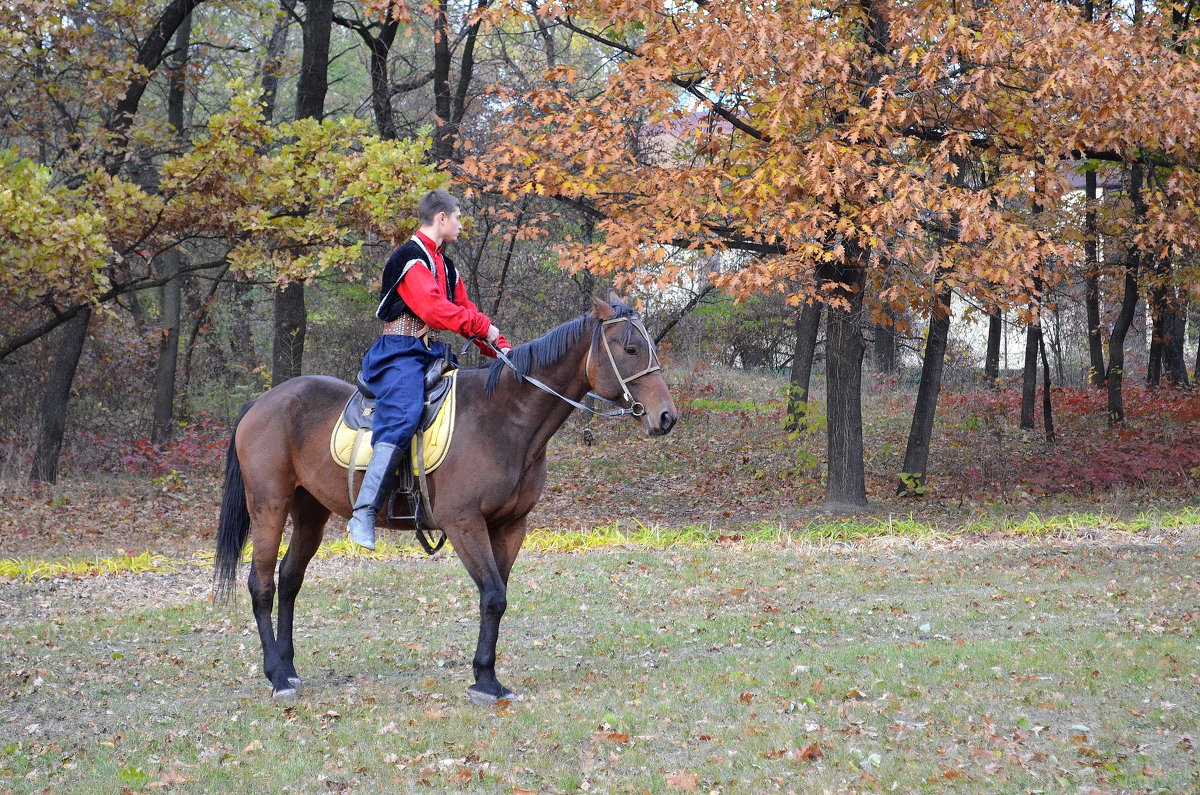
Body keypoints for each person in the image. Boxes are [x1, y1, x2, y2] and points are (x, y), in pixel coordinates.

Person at [348, 189, 511, 549]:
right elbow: (435, 311)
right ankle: (364, 512)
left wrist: (500, 348)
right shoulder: (409, 258)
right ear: (441, 218)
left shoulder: (447, 266)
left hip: (428, 351)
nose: (460, 224)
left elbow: (465, 311)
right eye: (457, 217)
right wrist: (483, 327)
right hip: (398, 352)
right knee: (404, 413)